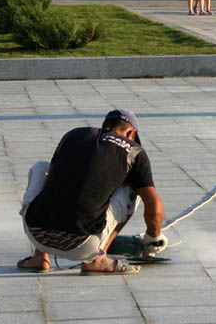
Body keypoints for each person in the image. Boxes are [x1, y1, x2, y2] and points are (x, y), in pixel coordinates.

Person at [18, 108, 166, 275]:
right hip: (81, 245)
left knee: (41, 168)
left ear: (105, 126)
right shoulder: (134, 152)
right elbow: (154, 205)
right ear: (131, 133)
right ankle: (97, 260)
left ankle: (40, 257)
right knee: (135, 188)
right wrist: (153, 238)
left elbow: (50, 180)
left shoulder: (73, 135)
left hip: (36, 234)